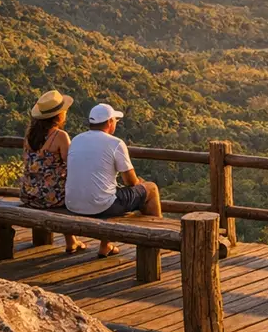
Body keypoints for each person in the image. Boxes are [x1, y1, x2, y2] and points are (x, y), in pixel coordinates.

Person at [65, 103, 162, 257]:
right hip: (102, 206)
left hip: (72, 204)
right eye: (115, 120)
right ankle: (155, 243)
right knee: (151, 189)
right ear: (110, 122)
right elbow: (130, 182)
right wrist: (141, 184)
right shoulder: (115, 143)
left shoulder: (76, 140)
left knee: (106, 190)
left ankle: (106, 246)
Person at [20, 89, 83, 254]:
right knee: (70, 191)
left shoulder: (29, 136)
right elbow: (71, 164)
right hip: (49, 197)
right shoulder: (60, 136)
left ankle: (72, 240)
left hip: (28, 193)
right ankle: (72, 240)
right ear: (59, 116)